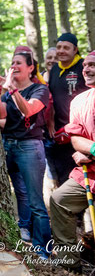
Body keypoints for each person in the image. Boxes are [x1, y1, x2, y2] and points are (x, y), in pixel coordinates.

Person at [0, 46, 51, 259]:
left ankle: (43, 249)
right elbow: (2, 114)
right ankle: (23, 231)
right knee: (20, 194)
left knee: (36, 200)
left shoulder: (39, 90)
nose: (13, 66)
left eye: (19, 63)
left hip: (30, 147)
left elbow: (29, 110)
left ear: (30, 68)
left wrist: (13, 90)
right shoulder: (10, 93)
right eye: (12, 63)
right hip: (9, 145)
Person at [50, 51, 95, 271]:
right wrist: (88, 151)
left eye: (93, 65)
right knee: (59, 199)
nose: (86, 69)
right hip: (90, 172)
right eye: (85, 65)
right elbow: (76, 138)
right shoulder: (78, 101)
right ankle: (70, 264)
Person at [49, 33, 89, 185]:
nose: (61, 51)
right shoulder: (54, 70)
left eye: (66, 48)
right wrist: (51, 122)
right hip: (61, 134)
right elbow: (50, 98)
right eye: (59, 47)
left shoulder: (84, 67)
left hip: (83, 133)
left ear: (75, 50)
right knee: (64, 176)